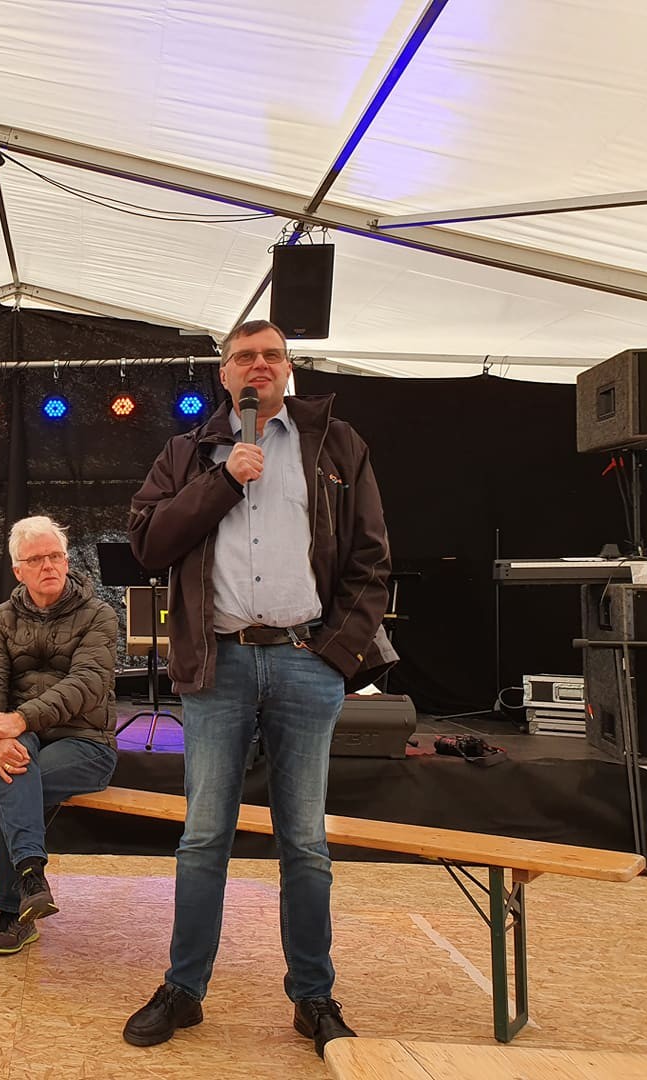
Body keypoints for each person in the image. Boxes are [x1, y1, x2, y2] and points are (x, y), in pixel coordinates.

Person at [124, 319, 392, 1057]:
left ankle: (313, 996)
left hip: (307, 659)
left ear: (289, 368)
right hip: (219, 665)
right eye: (244, 357)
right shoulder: (188, 453)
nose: (259, 366)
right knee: (203, 837)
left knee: (304, 842)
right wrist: (222, 480)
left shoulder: (336, 445)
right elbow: (147, 543)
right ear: (224, 374)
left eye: (272, 355)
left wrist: (336, 655)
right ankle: (184, 989)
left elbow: (371, 560)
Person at [0, 515, 119, 956]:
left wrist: (18, 721)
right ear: (19, 570)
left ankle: (12, 904)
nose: (48, 565)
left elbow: (87, 683)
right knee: (10, 768)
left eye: (55, 556)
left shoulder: (99, 614)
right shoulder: (1, 619)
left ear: (67, 561)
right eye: (36, 559)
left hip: (87, 740)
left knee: (2, 782)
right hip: (22, 736)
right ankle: (31, 881)